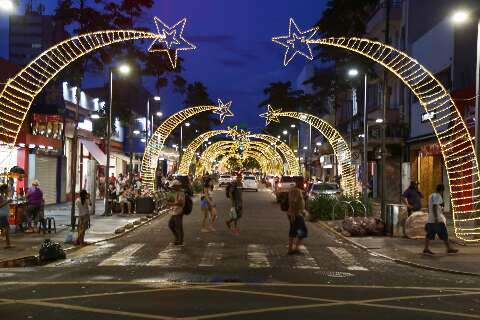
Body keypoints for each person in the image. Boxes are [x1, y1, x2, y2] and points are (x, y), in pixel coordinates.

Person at [423, 184, 458, 255]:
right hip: (436, 219)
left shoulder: (431, 195)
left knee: (440, 234)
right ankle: (426, 249)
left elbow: (430, 206)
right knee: (434, 234)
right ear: (442, 190)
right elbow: (435, 206)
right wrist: (436, 217)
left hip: (432, 219)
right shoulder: (437, 196)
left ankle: (448, 248)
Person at [287, 179, 308, 255]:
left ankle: (293, 248)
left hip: (297, 214)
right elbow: (293, 202)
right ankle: (294, 248)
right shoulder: (296, 191)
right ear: (299, 183)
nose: (305, 185)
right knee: (302, 231)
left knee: (294, 231)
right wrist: (293, 214)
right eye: (303, 183)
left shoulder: (297, 190)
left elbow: (297, 203)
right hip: (296, 215)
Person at [167, 180, 185, 246]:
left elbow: (180, 203)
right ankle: (177, 238)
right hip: (174, 211)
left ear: (177, 186)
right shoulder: (175, 192)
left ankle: (180, 240)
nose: (173, 188)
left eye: (174, 186)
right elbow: (170, 201)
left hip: (178, 211)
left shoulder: (181, 193)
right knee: (171, 224)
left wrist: (172, 203)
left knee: (178, 226)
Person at [0, 184, 12, 249]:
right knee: (7, 229)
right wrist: (7, 202)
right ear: (4, 189)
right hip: (1, 215)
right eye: (7, 188)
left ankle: (8, 244)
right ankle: (8, 244)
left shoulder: (3, 195)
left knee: (6, 229)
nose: (8, 190)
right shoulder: (0, 196)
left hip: (3, 215)